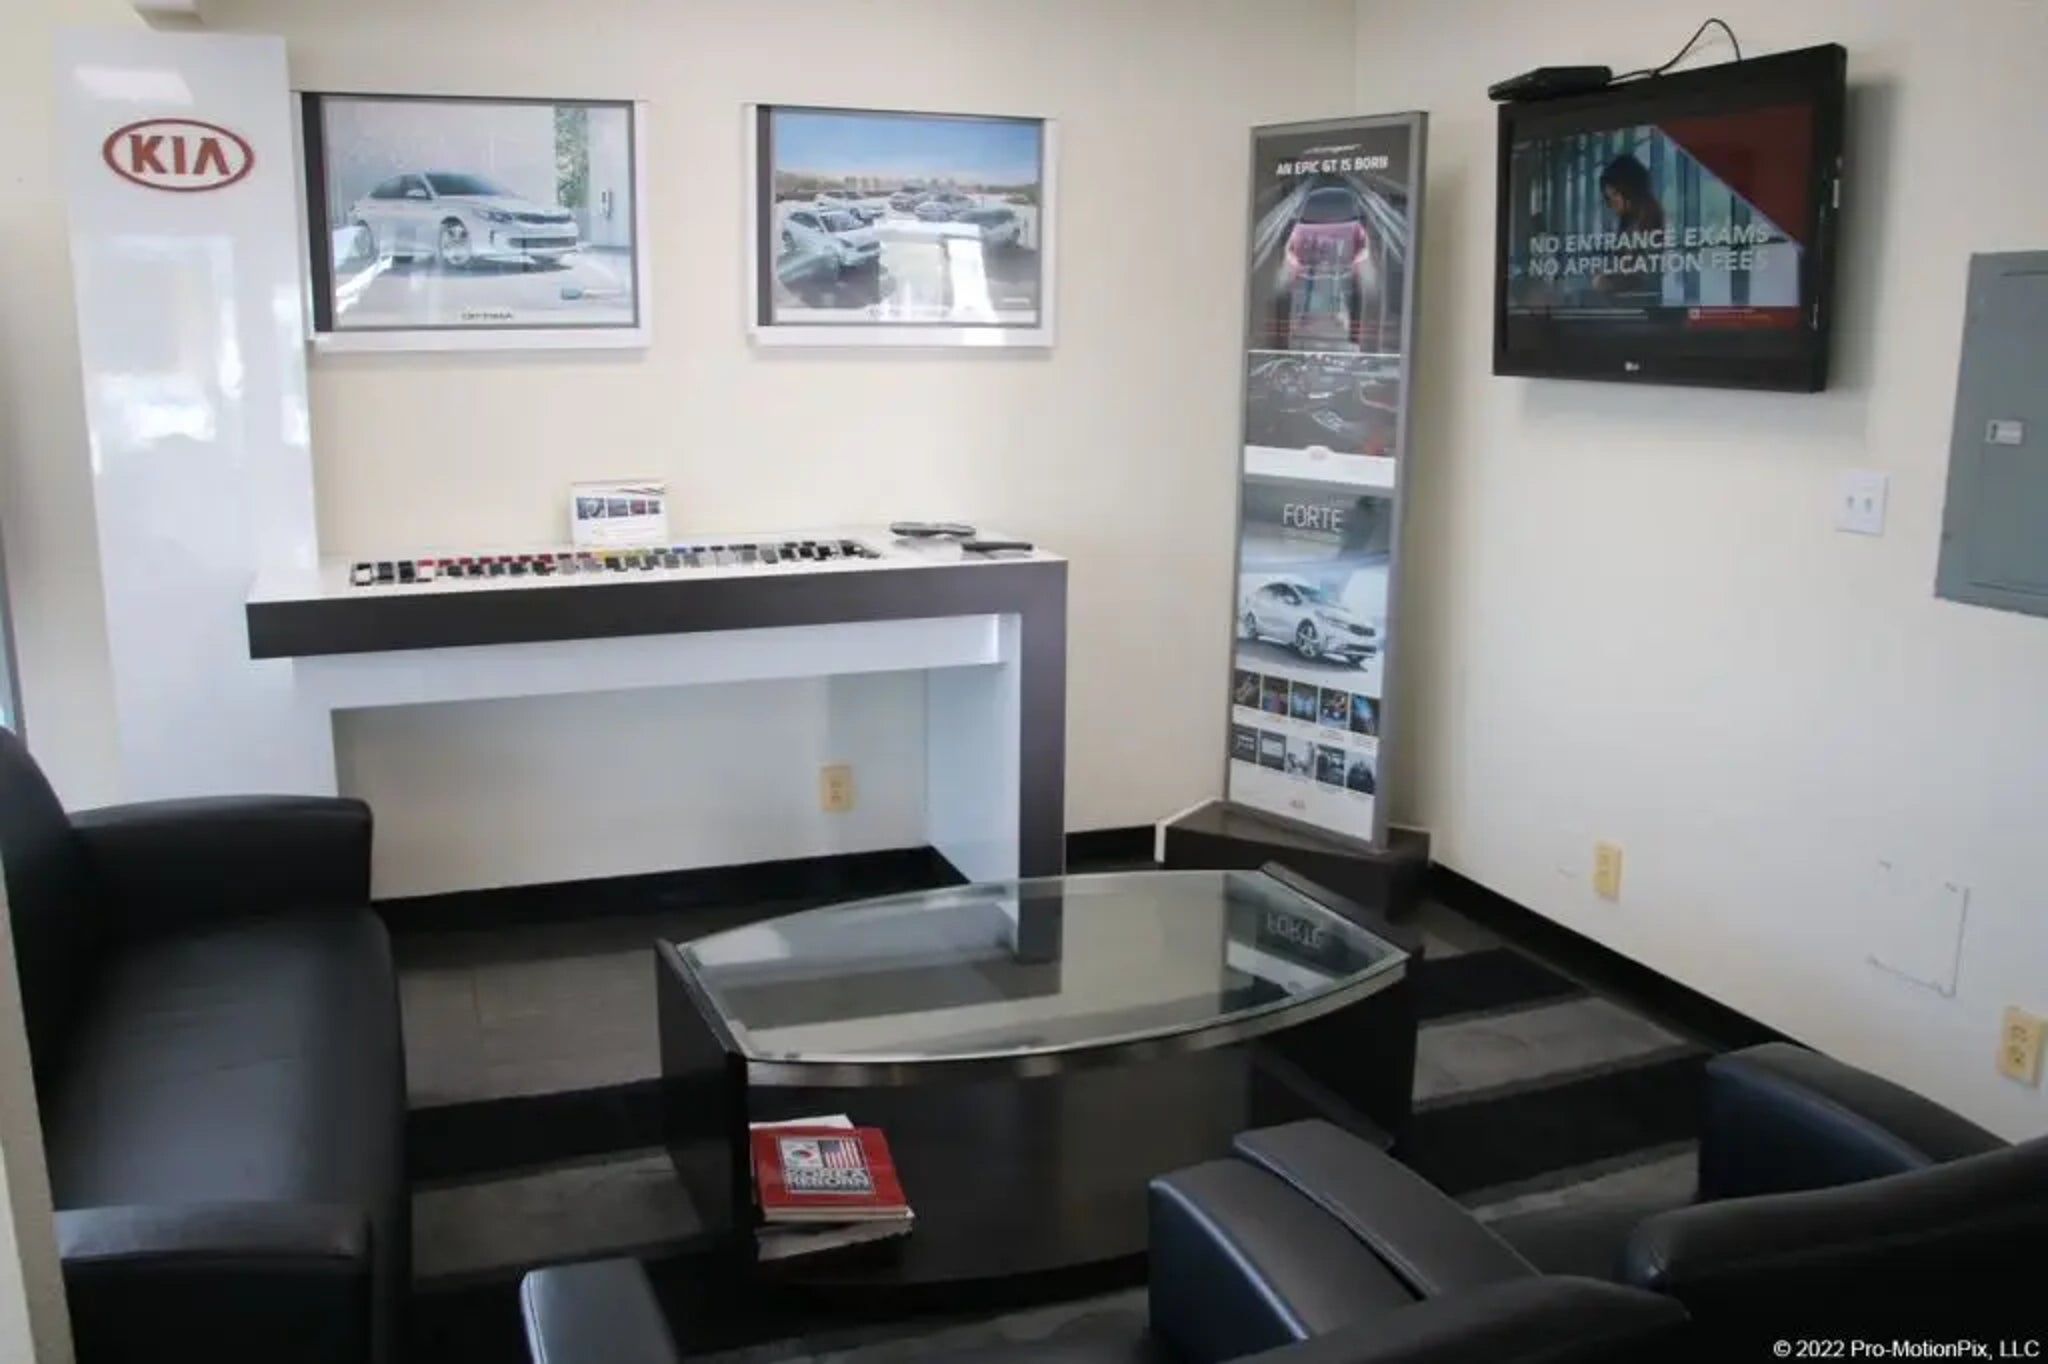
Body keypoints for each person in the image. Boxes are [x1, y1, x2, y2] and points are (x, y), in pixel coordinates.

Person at [1598, 153, 1665, 234]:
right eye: (1608, 197)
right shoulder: (1628, 219)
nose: (1612, 204)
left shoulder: (1647, 217)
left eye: (1615, 193)